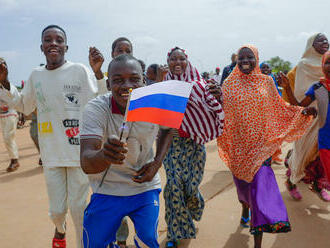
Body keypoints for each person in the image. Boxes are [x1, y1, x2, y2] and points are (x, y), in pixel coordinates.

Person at [0, 25, 102, 248]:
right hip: (52, 154)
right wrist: (6, 83)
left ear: (66, 46)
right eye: (48, 40)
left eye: (59, 39)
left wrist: (98, 72)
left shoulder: (80, 71)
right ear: (41, 47)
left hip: (79, 154)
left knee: (78, 210)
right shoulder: (36, 76)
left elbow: (98, 98)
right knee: (57, 210)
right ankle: (59, 228)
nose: (53, 43)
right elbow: (24, 106)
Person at [217, 44, 315, 248]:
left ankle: (258, 242)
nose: (245, 61)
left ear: (257, 59)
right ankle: (245, 207)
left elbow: (280, 108)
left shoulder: (266, 82)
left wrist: (300, 113)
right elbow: (222, 114)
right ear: (236, 61)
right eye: (241, 58)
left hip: (262, 148)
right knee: (244, 192)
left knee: (260, 192)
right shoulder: (228, 84)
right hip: (239, 148)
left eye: (250, 57)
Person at [80, 54, 173, 248]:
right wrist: (104, 155)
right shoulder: (95, 109)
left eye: (134, 79)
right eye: (118, 80)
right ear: (107, 84)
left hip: (143, 185)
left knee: (147, 239)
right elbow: (87, 163)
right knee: (94, 243)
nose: (127, 86)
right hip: (107, 188)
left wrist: (156, 163)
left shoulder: (156, 104)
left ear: (144, 81)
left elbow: (167, 129)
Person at [162, 47, 224, 248]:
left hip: (196, 144)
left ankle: (195, 203)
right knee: (173, 186)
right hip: (172, 144)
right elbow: (158, 117)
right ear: (168, 62)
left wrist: (219, 97)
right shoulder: (163, 87)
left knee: (190, 185)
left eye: (181, 58)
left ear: (187, 61)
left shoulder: (201, 85)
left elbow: (214, 112)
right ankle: (175, 232)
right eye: (173, 59)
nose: (177, 62)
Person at [89, 37, 134, 248]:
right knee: (113, 201)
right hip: (109, 152)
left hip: (134, 155)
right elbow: (98, 100)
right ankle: (120, 241)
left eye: (127, 50)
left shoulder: (135, 78)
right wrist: (98, 73)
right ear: (112, 53)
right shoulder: (104, 79)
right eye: (119, 50)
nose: (123, 52)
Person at [279, 50, 330, 201]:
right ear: (322, 66)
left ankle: (317, 186)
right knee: (305, 161)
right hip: (325, 139)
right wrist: (287, 87)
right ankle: (292, 179)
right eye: (327, 62)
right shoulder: (318, 87)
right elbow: (299, 107)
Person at [0, 60, 20, 172]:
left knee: (8, 137)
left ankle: (14, 160)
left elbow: (16, 98)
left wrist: (4, 81)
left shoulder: (7, 85)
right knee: (6, 138)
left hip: (10, 113)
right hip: (1, 116)